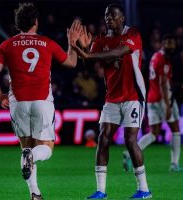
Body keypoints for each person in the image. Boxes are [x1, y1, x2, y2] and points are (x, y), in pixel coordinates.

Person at [0, 3, 81, 200]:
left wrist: (0, 96)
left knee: (26, 148)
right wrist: (72, 43)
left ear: (17, 24)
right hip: (42, 101)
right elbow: (72, 63)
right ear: (36, 23)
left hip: (18, 103)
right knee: (45, 148)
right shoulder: (46, 43)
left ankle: (35, 193)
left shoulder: (7, 45)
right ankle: (34, 180)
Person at [72, 3, 152, 199]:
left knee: (130, 140)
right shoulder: (100, 39)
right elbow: (89, 60)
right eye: (107, 15)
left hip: (134, 95)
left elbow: (119, 52)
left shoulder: (132, 34)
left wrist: (91, 54)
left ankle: (144, 189)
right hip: (112, 97)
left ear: (121, 18)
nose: (108, 18)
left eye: (113, 15)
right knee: (103, 138)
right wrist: (83, 48)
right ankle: (101, 191)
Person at [123, 34, 183, 172]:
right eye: (167, 42)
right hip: (163, 98)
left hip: (151, 98)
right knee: (175, 129)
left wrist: (180, 86)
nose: (170, 45)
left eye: (172, 42)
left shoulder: (155, 57)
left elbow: (163, 80)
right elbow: (162, 83)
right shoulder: (164, 59)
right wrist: (167, 105)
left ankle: (129, 153)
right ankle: (174, 165)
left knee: (154, 133)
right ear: (162, 44)